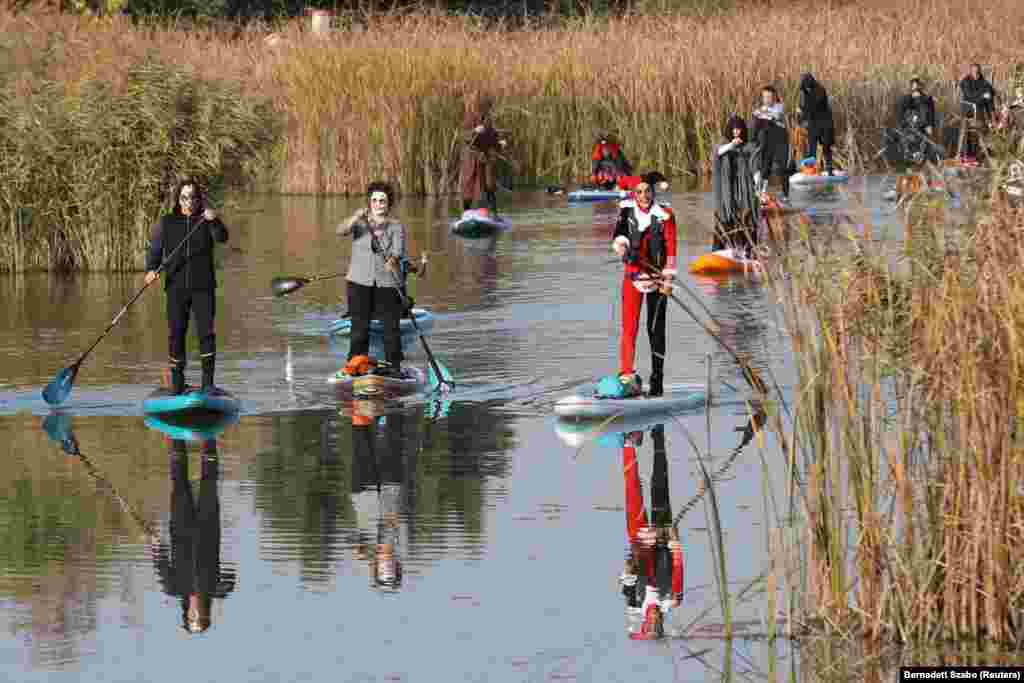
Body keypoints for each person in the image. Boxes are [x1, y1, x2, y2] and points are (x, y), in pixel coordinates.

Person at [145, 179, 229, 395]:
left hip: (204, 287)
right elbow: (155, 249)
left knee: (206, 334)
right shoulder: (167, 222)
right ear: (178, 199)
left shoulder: (206, 220)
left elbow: (222, 238)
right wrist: (151, 269)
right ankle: (177, 382)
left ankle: (208, 383)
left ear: (199, 200)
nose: (188, 202)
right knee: (176, 333)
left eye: (192, 197)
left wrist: (215, 221)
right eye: (184, 197)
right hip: (176, 287)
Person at [152, 438, 236, 634]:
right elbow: (231, 577)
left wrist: (155, 544)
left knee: (179, 482)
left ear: (186, 614)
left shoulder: (173, 588)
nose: (196, 613)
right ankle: (209, 435)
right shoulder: (217, 590)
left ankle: (176, 436)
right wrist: (216, 589)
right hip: (209, 526)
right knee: (209, 483)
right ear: (207, 614)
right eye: (201, 617)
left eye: (192, 617)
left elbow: (160, 561)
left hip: (180, 527)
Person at [610, 173, 678, 398]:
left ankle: (657, 381)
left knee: (655, 329)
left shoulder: (665, 216)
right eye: (638, 192)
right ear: (633, 194)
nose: (643, 196)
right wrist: (622, 247)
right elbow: (618, 238)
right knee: (629, 328)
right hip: (633, 278)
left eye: (647, 191)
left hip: (658, 280)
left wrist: (668, 279)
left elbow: (671, 249)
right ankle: (626, 377)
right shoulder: (626, 212)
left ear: (653, 192)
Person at [618, 425, 684, 640]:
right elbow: (678, 568)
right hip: (663, 537)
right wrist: (674, 542)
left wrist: (635, 553)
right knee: (660, 484)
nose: (654, 620)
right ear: (662, 624)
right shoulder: (671, 600)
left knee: (632, 491)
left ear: (644, 624)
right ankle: (658, 433)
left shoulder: (635, 605)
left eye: (650, 625)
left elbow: (627, 577)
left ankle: (629, 443)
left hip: (641, 541)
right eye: (658, 625)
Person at [336, 181, 407, 378]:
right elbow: (340, 231)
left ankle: (395, 366)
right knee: (359, 329)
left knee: (390, 329)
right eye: (374, 200)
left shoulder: (396, 226)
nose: (378, 204)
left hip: (387, 284)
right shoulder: (360, 224)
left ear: (388, 203)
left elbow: (398, 251)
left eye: (382, 201)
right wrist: (354, 217)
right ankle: (356, 363)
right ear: (369, 202)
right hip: (359, 283)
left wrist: (392, 260)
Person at [711, 114, 760, 255]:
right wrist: (732, 145)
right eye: (733, 129)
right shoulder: (722, 145)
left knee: (747, 217)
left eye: (738, 129)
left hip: (746, 190)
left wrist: (759, 188)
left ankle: (749, 251)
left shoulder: (750, 147)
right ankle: (718, 251)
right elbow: (718, 153)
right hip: (727, 191)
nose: (736, 132)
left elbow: (755, 167)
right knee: (725, 217)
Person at [460, 92, 507, 213]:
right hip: (471, 158)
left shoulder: (488, 119)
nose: (489, 109)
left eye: (489, 107)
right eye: (488, 106)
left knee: (488, 186)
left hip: (484, 158)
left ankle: (493, 213)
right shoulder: (470, 117)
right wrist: (474, 131)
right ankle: (466, 213)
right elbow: (464, 135)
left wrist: (500, 143)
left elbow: (491, 137)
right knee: (468, 185)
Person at [750, 85, 791, 197]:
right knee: (765, 167)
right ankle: (761, 193)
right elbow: (755, 119)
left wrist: (761, 114)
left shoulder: (780, 107)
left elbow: (775, 116)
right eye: (765, 97)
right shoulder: (759, 110)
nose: (767, 100)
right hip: (768, 141)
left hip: (781, 141)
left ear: (775, 97)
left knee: (782, 169)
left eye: (769, 97)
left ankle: (786, 196)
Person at [797, 72, 836, 176]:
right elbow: (802, 107)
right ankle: (811, 171)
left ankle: (829, 170)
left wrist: (803, 111)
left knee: (826, 147)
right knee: (811, 149)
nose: (806, 88)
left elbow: (812, 106)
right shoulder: (803, 91)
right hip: (812, 125)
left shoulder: (820, 89)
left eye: (807, 86)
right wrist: (800, 119)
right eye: (804, 87)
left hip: (824, 124)